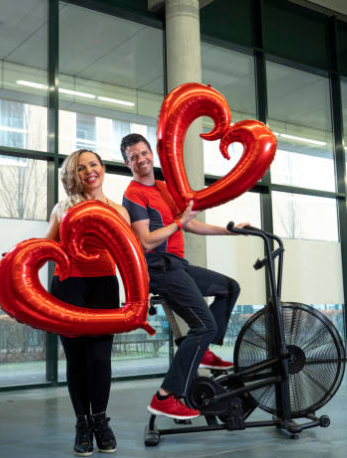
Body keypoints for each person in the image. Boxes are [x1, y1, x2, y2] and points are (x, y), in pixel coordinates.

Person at [120, 133, 245, 420]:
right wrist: (178, 222)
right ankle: (165, 396)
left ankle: (203, 352)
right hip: (159, 268)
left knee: (229, 287)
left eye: (143, 153)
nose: (141, 159)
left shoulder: (163, 188)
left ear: (151, 154)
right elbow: (147, 241)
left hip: (178, 264)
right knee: (203, 326)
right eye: (133, 157)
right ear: (128, 164)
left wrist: (229, 230)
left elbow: (189, 226)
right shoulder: (133, 193)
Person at [45, 149, 129, 456]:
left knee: (99, 359)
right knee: (77, 360)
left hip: (103, 285)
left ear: (103, 169)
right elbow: (45, 247)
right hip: (67, 284)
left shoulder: (119, 211)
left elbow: (129, 258)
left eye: (93, 164)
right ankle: (82, 425)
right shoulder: (62, 207)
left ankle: (100, 421)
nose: (89, 171)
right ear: (74, 175)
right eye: (81, 168)